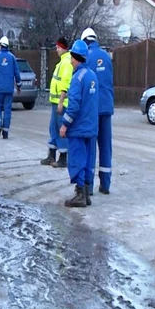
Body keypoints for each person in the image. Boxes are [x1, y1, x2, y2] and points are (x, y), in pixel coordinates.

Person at [60, 40, 98, 208]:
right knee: (89, 160)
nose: (70, 61)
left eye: (72, 58)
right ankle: (87, 193)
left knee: (77, 160)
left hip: (78, 129)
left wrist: (64, 125)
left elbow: (73, 106)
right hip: (91, 128)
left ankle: (80, 194)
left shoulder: (77, 78)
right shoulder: (92, 76)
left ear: (76, 58)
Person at [81, 28, 114, 195]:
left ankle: (88, 185)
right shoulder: (107, 57)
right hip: (107, 107)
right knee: (106, 145)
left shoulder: (86, 57)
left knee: (90, 146)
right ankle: (105, 184)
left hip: (92, 108)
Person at [40, 36, 74, 168]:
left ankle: (63, 157)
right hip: (56, 103)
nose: (56, 50)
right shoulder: (62, 62)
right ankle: (52, 155)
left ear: (63, 48)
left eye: (58, 47)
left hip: (61, 104)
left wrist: (61, 102)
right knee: (53, 129)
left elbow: (65, 84)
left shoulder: (66, 63)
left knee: (61, 130)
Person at [0, 36, 22, 139]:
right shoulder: (12, 57)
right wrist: (19, 85)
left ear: (0, 45)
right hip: (9, 88)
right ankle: (5, 132)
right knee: (7, 109)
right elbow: (17, 72)